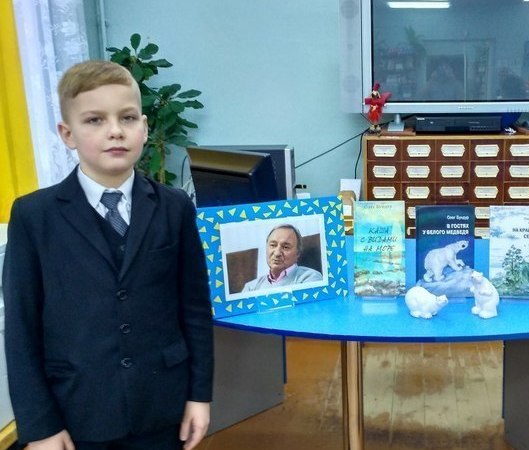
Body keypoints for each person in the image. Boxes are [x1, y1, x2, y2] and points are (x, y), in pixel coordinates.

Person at [3, 60, 213, 450]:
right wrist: (40, 426)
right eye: (95, 120)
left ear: (144, 127)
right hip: (76, 411)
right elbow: (21, 328)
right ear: (67, 133)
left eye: (127, 117)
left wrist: (199, 395)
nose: (115, 130)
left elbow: (195, 309)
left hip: (161, 407)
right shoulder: (34, 216)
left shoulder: (175, 207)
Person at [241, 224, 323, 292]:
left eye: (285, 247)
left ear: (297, 253)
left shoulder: (310, 278)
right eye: (273, 245)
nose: (277, 253)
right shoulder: (251, 287)